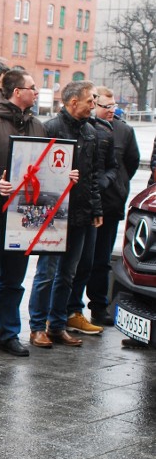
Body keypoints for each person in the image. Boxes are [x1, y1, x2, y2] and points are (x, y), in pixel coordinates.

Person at [0, 69, 48, 353]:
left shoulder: (38, 126)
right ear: (17, 92)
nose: (36, 91)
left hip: (24, 218)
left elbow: (46, 166)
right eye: (32, 87)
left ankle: (9, 334)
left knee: (14, 281)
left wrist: (65, 176)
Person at [28, 80, 103, 348]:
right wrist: (59, 177)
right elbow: (34, 171)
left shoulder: (91, 132)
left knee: (68, 274)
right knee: (47, 273)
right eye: (90, 101)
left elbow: (93, 175)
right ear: (73, 103)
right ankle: (37, 327)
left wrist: (96, 208)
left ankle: (57, 325)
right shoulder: (50, 128)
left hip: (80, 214)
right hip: (54, 216)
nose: (93, 105)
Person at [65, 85, 121, 327]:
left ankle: (73, 311)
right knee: (62, 269)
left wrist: (99, 202)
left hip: (91, 207)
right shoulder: (57, 127)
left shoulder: (103, 133)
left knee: (87, 263)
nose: (94, 105)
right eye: (94, 101)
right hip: (67, 208)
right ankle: (57, 316)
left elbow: (104, 170)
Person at [86, 88, 139, 326]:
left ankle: (98, 307)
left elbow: (131, 163)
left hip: (109, 204)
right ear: (93, 104)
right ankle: (69, 310)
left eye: (114, 105)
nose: (112, 110)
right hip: (85, 205)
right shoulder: (84, 127)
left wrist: (117, 187)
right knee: (77, 261)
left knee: (102, 259)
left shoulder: (124, 131)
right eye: (106, 106)